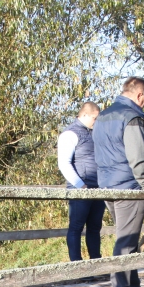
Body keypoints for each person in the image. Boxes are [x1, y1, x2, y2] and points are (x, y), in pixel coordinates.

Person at [93, 77, 144, 287]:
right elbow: (138, 156)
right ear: (140, 95)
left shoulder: (102, 116)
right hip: (129, 186)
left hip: (107, 185)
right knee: (127, 240)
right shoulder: (132, 117)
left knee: (127, 235)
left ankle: (133, 284)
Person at [57, 102, 104, 262]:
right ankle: (77, 267)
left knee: (95, 228)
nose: (96, 121)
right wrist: (80, 185)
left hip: (97, 189)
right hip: (80, 189)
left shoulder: (93, 134)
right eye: (94, 118)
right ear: (84, 115)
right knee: (76, 227)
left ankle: (96, 264)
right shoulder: (70, 134)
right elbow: (64, 163)